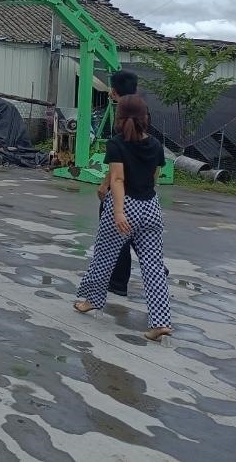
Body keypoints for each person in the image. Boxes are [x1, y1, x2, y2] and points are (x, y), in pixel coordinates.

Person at [74, 95, 172, 341]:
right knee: (153, 266)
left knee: (104, 257)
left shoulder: (117, 144)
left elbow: (117, 179)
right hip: (150, 206)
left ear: (119, 117)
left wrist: (119, 212)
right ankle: (160, 322)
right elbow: (154, 177)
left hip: (124, 205)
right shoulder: (155, 145)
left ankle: (91, 300)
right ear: (145, 118)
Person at [97, 69, 140, 296]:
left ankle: (117, 282)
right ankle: (155, 267)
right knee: (137, 231)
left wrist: (106, 185)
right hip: (142, 187)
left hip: (123, 186)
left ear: (113, 91)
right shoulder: (142, 112)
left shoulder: (122, 116)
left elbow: (119, 162)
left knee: (116, 232)